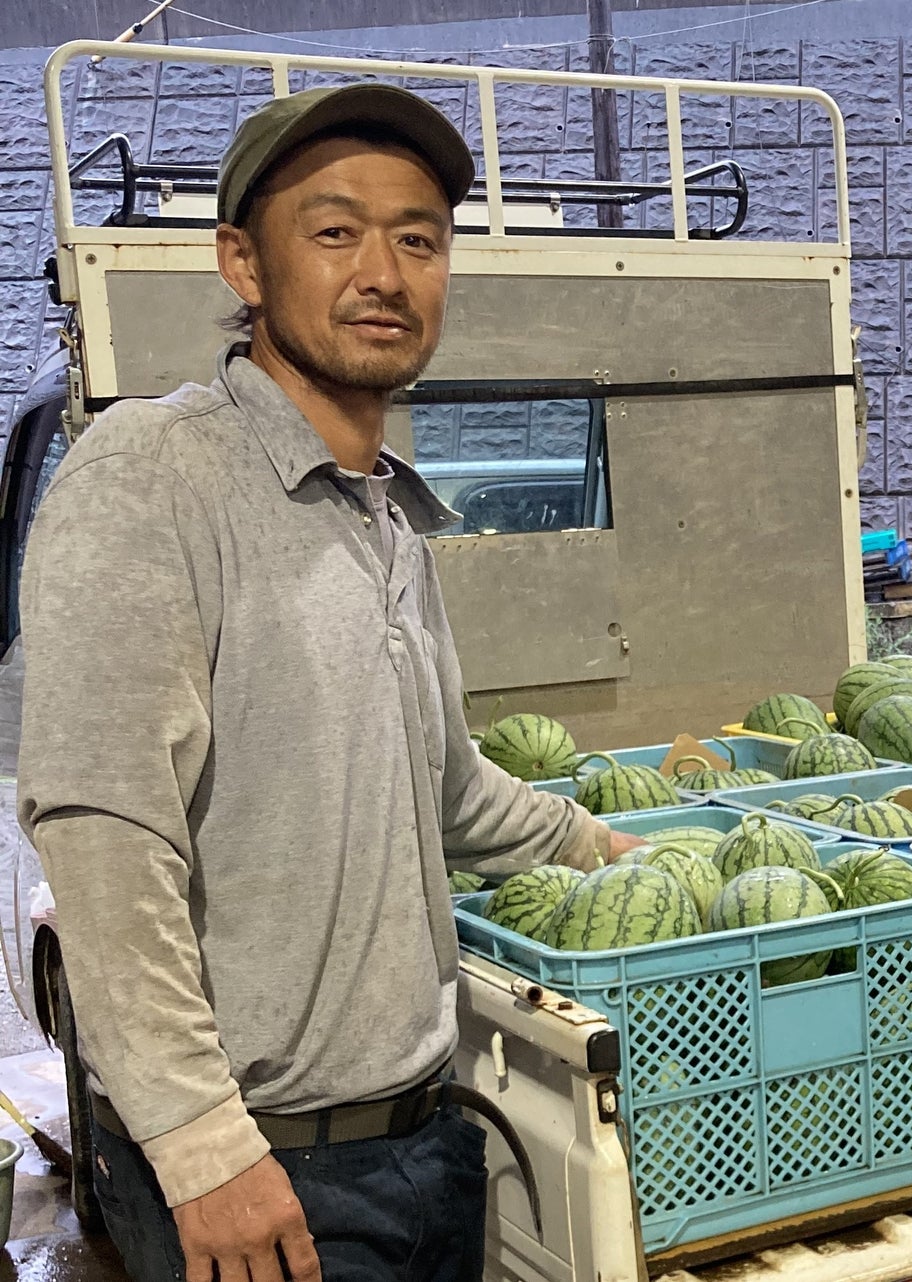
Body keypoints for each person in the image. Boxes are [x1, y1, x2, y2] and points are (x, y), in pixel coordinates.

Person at [17, 86, 642, 1282]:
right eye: (336, 230)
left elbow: (452, 796)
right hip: (264, 1175)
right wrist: (204, 1150)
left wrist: (601, 842)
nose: (386, 273)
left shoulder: (388, 520)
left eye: (419, 237)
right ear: (243, 263)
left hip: (426, 1138)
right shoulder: (151, 475)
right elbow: (103, 830)